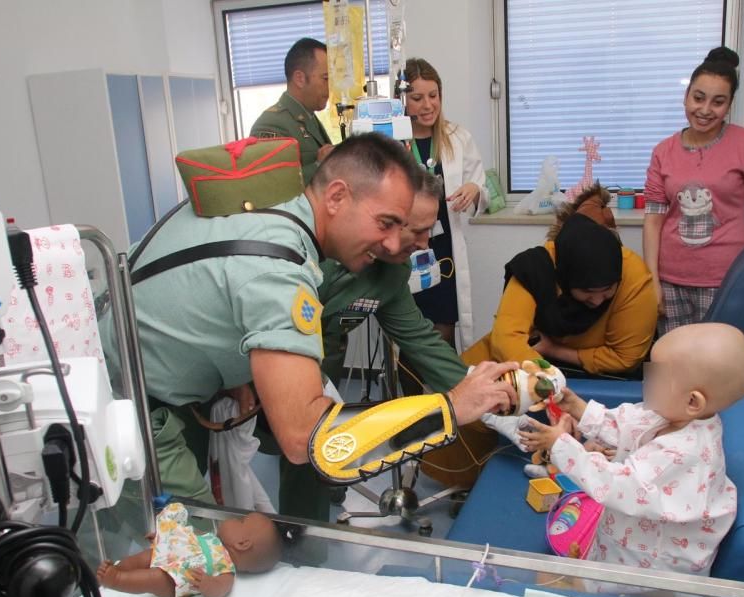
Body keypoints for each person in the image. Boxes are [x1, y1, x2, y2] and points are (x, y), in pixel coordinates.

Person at [100, 132, 518, 524]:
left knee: (204, 541)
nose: (395, 245)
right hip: (123, 405)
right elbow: (307, 438)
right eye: (386, 223)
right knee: (191, 556)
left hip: (139, 374)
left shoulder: (270, 210)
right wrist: (448, 409)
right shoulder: (279, 268)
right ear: (336, 196)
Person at [418, 206, 656, 488]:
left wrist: (557, 352)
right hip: (532, 358)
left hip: (593, 368)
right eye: (589, 294)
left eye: (607, 293)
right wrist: (542, 378)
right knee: (461, 385)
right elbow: (507, 338)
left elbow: (625, 357)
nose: (598, 301)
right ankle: (466, 481)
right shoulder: (537, 267)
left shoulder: (633, 279)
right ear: (566, 279)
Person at [518, 322, 744, 585]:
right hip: (623, 544)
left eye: (656, 375)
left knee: (547, 581)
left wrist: (560, 444)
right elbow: (627, 424)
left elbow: (618, 484)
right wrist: (576, 407)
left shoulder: (685, 453)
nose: (645, 378)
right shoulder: (671, 415)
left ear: (692, 401)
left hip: (647, 577)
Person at [643, 46, 744, 336]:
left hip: (726, 280)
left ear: (729, 105)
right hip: (671, 281)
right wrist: (652, 280)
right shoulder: (663, 151)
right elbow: (654, 218)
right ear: (686, 97)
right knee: (672, 363)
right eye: (698, 98)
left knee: (717, 366)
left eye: (718, 102)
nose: (705, 110)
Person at [318, 171, 467, 394]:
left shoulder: (392, 272)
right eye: (419, 231)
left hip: (323, 376)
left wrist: (480, 392)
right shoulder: (307, 254)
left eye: (430, 229)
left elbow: (422, 341)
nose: (426, 244)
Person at [404, 58, 488, 348]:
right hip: (406, 249)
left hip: (443, 251)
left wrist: (474, 189)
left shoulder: (457, 137)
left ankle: (446, 394)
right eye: (417, 98)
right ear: (402, 100)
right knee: (407, 335)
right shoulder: (393, 141)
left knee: (443, 334)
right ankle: (411, 393)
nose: (427, 105)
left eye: (433, 96)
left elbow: (482, 187)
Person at [96, 502, 280, 597]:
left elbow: (222, 589)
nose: (234, 520)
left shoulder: (226, 568)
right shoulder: (211, 539)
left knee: (154, 579)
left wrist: (208, 585)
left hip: (179, 578)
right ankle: (120, 568)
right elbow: (189, 537)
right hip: (170, 552)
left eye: (241, 522)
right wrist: (167, 537)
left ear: (242, 543)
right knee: (144, 557)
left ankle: (117, 580)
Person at [250, 38, 334, 185]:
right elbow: (270, 185)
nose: (330, 87)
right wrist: (319, 166)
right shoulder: (271, 124)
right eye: (325, 79)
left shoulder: (308, 116)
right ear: (300, 79)